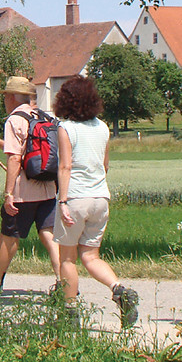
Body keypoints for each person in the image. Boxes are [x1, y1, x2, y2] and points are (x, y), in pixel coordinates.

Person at [50, 76, 140, 327]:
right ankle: (119, 290)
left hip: (75, 197)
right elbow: (105, 165)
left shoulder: (66, 128)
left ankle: (69, 311)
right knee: (91, 256)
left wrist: (63, 202)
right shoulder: (102, 127)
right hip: (100, 197)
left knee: (68, 258)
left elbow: (65, 166)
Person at [0, 76, 62, 298]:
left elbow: (14, 159)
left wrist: (9, 193)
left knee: (9, 237)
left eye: (5, 97)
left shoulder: (14, 120)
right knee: (49, 235)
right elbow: (30, 148)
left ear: (11, 97)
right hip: (48, 188)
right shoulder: (43, 116)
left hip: (23, 192)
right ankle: (64, 282)